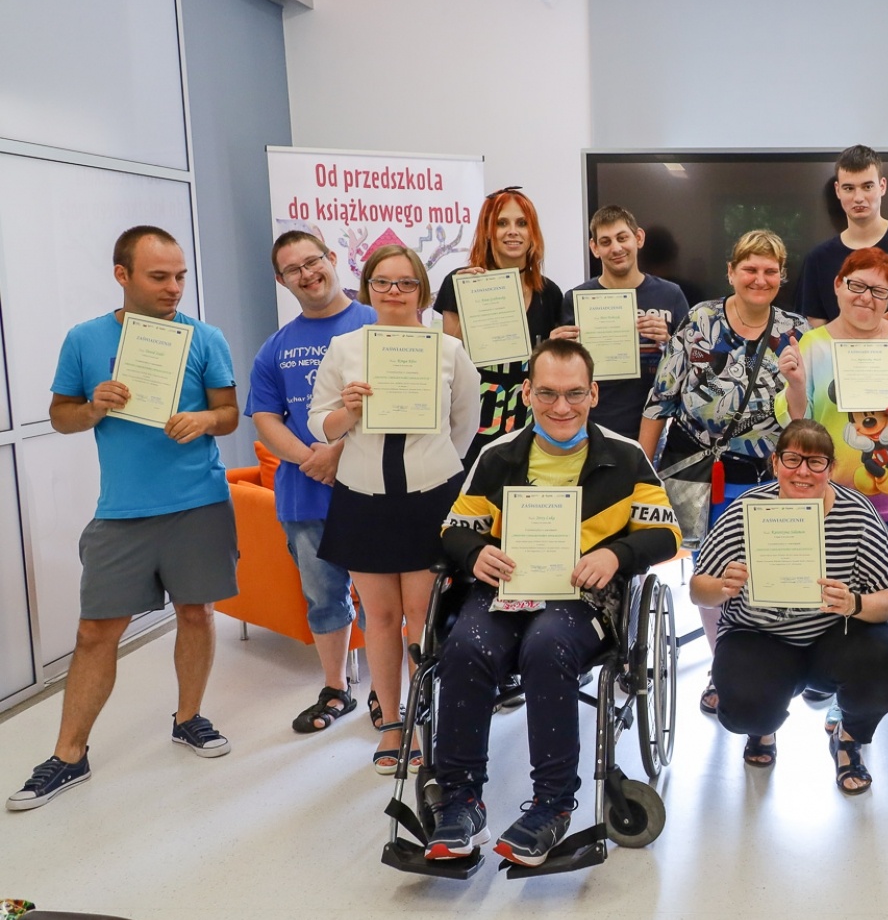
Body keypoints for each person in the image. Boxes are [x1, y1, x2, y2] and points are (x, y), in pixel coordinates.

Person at [425, 339, 681, 865]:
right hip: (505, 590)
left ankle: (552, 805)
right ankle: (460, 799)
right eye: (547, 393)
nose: (560, 407)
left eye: (572, 394)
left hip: (584, 598)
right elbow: (454, 529)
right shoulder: (498, 456)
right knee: (464, 647)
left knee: (547, 646)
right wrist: (475, 552)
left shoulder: (625, 457)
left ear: (593, 394)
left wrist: (616, 554)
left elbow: (667, 535)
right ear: (527, 393)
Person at [9, 226, 240, 811]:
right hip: (122, 511)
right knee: (94, 633)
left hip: (199, 503)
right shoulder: (85, 340)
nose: (173, 288)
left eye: (180, 276)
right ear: (123, 275)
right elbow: (61, 416)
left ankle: (188, 718)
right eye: (159, 277)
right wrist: (93, 407)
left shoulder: (205, 337)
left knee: (196, 613)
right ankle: (68, 755)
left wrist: (204, 422)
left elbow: (229, 412)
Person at [308, 245, 478, 775]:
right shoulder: (344, 348)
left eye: (406, 284)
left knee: (423, 621)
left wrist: (430, 461)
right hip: (363, 497)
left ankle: (427, 722)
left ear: (422, 292)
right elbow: (320, 426)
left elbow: (464, 426)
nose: (394, 293)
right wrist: (348, 410)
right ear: (367, 288)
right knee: (379, 618)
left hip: (431, 497)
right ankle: (392, 726)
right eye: (383, 283)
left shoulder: (449, 350)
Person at [638, 230, 809, 715]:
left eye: (770, 270)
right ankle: (722, 667)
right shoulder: (700, 320)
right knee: (711, 576)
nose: (760, 278)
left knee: (763, 574)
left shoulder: (797, 331)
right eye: (749, 269)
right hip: (698, 470)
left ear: (782, 277)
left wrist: (797, 384)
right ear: (731, 272)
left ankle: (765, 669)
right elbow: (661, 401)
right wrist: (642, 476)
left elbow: (804, 417)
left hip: (766, 476)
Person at [690, 420, 888, 793]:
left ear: (831, 469)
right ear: (775, 464)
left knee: (884, 656)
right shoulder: (747, 509)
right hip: (759, 637)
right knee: (743, 707)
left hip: (832, 637)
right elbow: (697, 589)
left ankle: (848, 739)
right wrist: (723, 586)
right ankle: (763, 730)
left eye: (815, 462)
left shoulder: (856, 513)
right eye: (792, 459)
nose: (803, 471)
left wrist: (855, 602)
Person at [778, 245, 888, 701]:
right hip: (841, 507)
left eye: (880, 290)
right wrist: (796, 386)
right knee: (844, 603)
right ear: (838, 286)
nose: (866, 298)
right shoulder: (812, 347)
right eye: (857, 285)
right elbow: (797, 427)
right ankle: (842, 699)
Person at [248, 231, 376, 734]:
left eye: (313, 261)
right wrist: (312, 458)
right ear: (282, 281)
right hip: (305, 493)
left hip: (373, 491)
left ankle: (389, 697)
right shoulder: (276, 348)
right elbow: (264, 417)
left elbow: (408, 404)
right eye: (293, 269)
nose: (307, 273)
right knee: (324, 598)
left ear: (333, 259)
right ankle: (337, 688)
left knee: (381, 601)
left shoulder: (377, 324)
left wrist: (338, 454)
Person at [434, 186, 565, 466]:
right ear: (488, 232)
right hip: (472, 435)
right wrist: (469, 297)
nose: (512, 231)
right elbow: (448, 358)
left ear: (533, 233)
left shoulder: (550, 293)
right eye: (502, 223)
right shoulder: (459, 282)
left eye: (521, 223)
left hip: (529, 435)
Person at [551, 205, 689, 441]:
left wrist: (669, 341)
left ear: (638, 238)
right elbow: (565, 373)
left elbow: (694, 363)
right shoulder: (575, 298)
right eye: (605, 242)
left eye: (622, 238)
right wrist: (556, 351)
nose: (616, 248)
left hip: (657, 428)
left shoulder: (671, 294)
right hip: (593, 426)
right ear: (594, 248)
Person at [798, 144, 888, 345]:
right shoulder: (818, 258)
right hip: (844, 371)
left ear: (882, 186)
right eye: (849, 188)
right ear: (837, 191)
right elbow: (818, 337)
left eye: (867, 186)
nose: (859, 198)